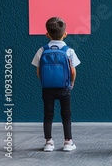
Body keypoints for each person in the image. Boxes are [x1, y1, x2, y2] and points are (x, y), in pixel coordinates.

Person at [31, 17, 80, 152]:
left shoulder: (42, 50)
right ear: (65, 34)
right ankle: (68, 142)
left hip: (47, 88)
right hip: (64, 87)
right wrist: (71, 82)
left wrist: (44, 82)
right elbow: (73, 70)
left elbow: (38, 70)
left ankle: (48, 143)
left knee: (48, 114)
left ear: (47, 34)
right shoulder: (69, 51)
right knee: (66, 114)